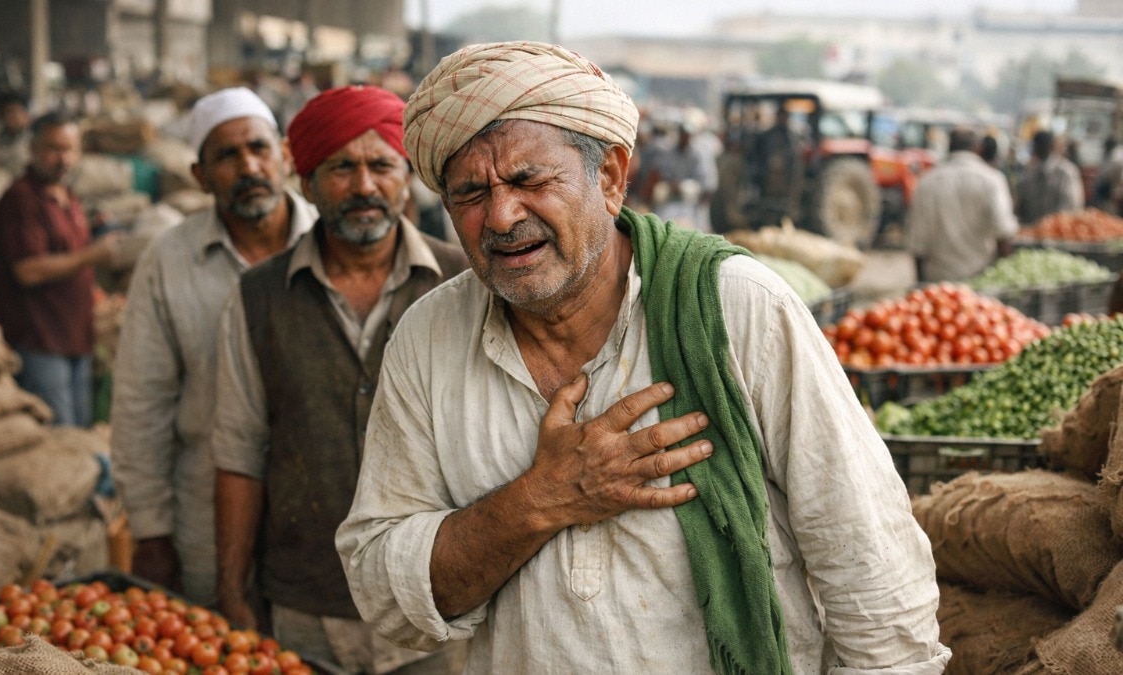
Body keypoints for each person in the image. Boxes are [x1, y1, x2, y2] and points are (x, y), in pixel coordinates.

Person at [336, 41, 950, 674]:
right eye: (469, 194)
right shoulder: (428, 337)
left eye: (528, 180)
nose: (501, 215)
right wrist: (539, 500)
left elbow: (869, 562)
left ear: (609, 178)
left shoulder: (740, 308)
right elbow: (385, 590)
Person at [210, 85, 469, 674]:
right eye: (340, 168)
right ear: (305, 183)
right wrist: (231, 588)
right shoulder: (257, 299)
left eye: (381, 165)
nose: (363, 187)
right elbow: (239, 454)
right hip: (304, 608)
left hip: (437, 603)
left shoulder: (464, 284)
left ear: (406, 178)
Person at [111, 87, 316, 605]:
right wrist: (151, 532)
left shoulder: (331, 246)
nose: (248, 167)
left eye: (258, 148)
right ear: (200, 176)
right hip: (203, 519)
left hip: (320, 522)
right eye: (226, 156)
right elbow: (142, 403)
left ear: (285, 157)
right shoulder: (169, 261)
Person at [0, 110, 119, 427]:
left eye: (70, 149)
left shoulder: (68, 196)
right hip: (40, 340)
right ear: (32, 149)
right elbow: (28, 271)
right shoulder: (21, 198)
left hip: (75, 336)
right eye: (53, 148)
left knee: (80, 432)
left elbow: (69, 257)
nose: (63, 159)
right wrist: (94, 255)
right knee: (58, 435)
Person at [905, 127, 1019, 283]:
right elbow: (1003, 234)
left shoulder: (926, 182)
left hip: (938, 282)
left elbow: (917, 242)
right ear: (978, 148)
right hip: (982, 279)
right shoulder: (992, 180)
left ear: (949, 147)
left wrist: (920, 284)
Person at [1015, 129, 1085, 225]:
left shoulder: (1066, 172)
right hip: (1035, 230)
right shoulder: (1030, 172)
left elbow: (1071, 206)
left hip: (1058, 230)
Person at [0, 91, 32, 177]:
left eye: (16, 112)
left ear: (26, 114)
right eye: (7, 112)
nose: (12, 117)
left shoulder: (35, 140)